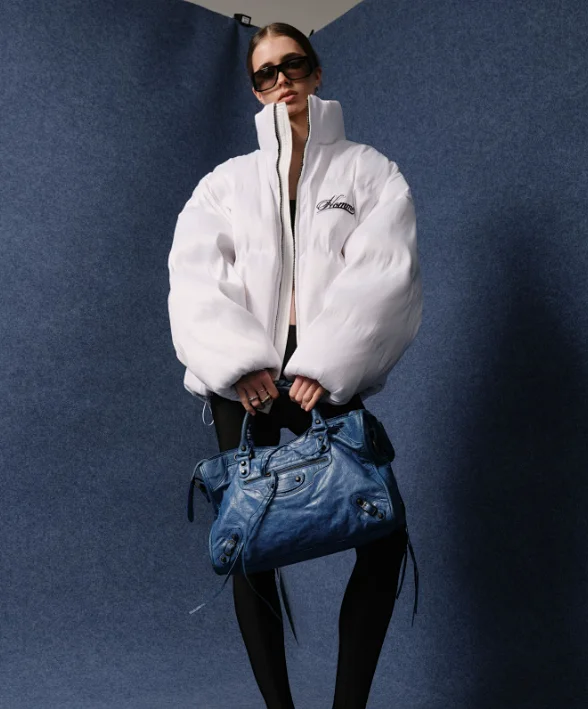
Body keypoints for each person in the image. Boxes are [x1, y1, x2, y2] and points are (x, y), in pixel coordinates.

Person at [167, 22, 422, 709]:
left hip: (323, 372)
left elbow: (387, 272)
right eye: (266, 72)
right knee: (251, 543)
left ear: (316, 71)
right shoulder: (225, 184)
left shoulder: (370, 172)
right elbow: (194, 278)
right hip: (245, 381)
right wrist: (238, 361)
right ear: (255, 89)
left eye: (294, 65)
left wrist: (327, 359)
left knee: (383, 535)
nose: (282, 81)